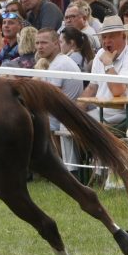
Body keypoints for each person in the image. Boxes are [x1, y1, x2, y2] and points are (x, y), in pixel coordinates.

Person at [79, 16, 128, 130]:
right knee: (67, 125)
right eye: (104, 37)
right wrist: (75, 111)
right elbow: (92, 87)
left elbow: (117, 91)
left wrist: (108, 64)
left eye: (111, 37)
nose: (106, 41)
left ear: (123, 36)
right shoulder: (101, 53)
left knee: (91, 127)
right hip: (103, 112)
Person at [35, 27, 83, 163]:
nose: (39, 47)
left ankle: (58, 166)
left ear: (56, 44)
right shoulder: (57, 62)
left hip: (65, 115)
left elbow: (50, 98)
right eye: (37, 43)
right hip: (63, 112)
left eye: (44, 43)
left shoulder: (59, 65)